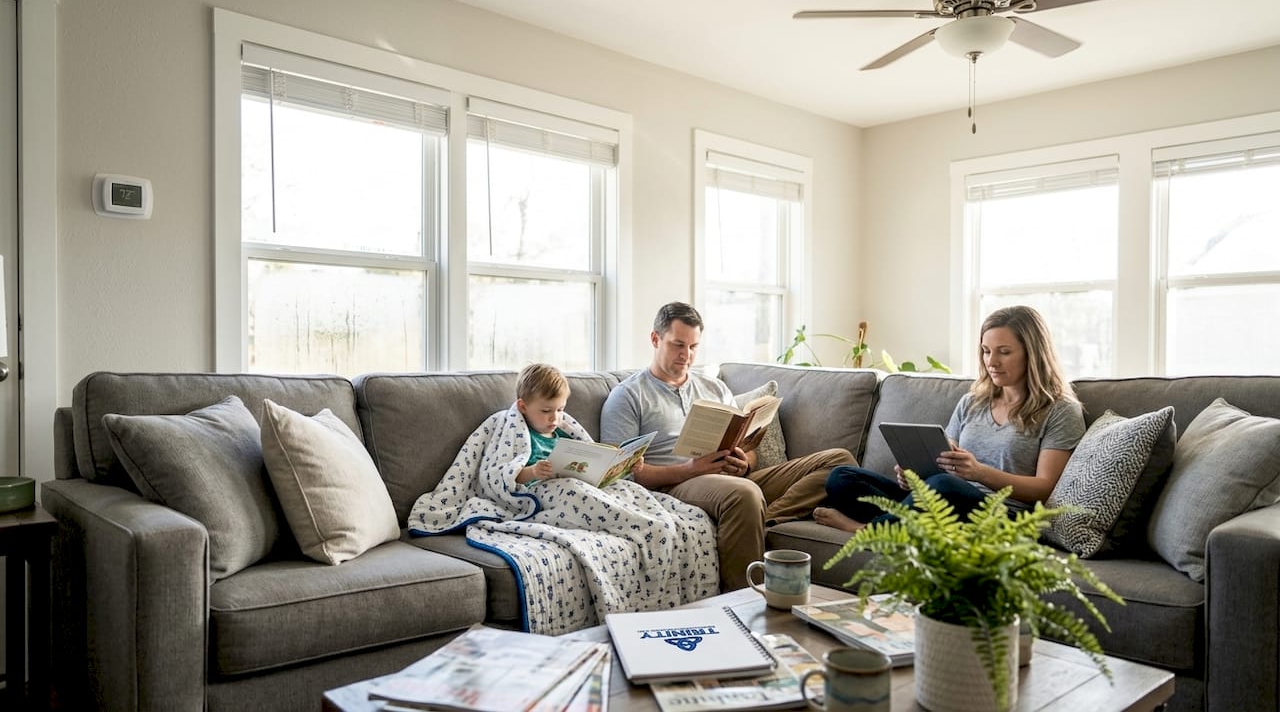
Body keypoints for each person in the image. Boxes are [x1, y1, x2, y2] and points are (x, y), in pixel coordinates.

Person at [407, 362, 719, 633]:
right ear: (523, 406)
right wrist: (532, 472)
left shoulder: (562, 430)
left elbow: (585, 456)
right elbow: (498, 473)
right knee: (575, 492)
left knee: (629, 491)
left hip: (578, 484)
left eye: (559, 409)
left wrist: (609, 467)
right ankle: (644, 527)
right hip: (541, 495)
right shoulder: (512, 428)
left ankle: (656, 522)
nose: (554, 417)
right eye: (546, 411)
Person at [601, 302, 856, 591]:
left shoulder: (714, 388)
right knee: (744, 493)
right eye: (678, 345)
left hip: (730, 478)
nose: (687, 356)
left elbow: (747, 448)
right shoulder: (628, 396)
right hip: (676, 486)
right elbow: (621, 474)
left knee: (839, 460)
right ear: (655, 339)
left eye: (694, 346)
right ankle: (746, 599)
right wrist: (690, 469)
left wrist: (745, 461)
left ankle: (761, 520)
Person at [813, 305, 1086, 533]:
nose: (992, 361)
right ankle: (908, 524)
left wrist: (979, 473)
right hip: (944, 501)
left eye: (1004, 351)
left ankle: (867, 530)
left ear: (1033, 353)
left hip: (1003, 516)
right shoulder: (973, 402)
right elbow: (944, 461)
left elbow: (1045, 488)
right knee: (841, 477)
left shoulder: (1060, 409)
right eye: (986, 351)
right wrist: (915, 476)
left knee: (943, 487)